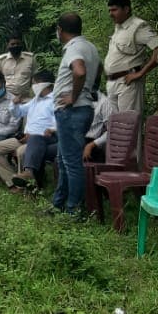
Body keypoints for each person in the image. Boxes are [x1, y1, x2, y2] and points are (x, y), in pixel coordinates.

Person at [49, 12, 100, 217]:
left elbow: (79, 71)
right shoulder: (90, 47)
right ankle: (58, 204)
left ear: (60, 30)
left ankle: (73, 211)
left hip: (72, 111)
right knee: (63, 159)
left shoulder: (74, 48)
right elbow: (99, 70)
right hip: (80, 109)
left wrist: (73, 96)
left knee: (71, 163)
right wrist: (90, 92)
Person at [0, 72, 55, 190]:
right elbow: (18, 113)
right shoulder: (36, 100)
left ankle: (29, 187)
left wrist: (36, 135)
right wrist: (14, 104)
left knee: (21, 152)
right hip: (25, 138)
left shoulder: (56, 101)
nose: (33, 86)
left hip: (43, 139)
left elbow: (57, 124)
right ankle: (13, 182)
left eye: (34, 83)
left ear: (43, 84)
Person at [105, 0, 158, 115]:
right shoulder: (118, 27)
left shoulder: (138, 26)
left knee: (128, 125)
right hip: (112, 83)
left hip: (128, 82)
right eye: (109, 10)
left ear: (126, 9)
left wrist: (140, 73)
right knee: (114, 126)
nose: (111, 13)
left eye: (114, 10)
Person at [0, 34, 37, 99]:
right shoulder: (1, 60)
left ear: (22, 44)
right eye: (12, 44)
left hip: (25, 98)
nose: (16, 46)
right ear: (8, 45)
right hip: (6, 98)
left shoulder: (30, 59)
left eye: (18, 43)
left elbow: (35, 78)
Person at [82, 90, 114, 163]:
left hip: (90, 142)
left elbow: (111, 131)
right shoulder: (78, 98)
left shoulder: (104, 102)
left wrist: (91, 145)